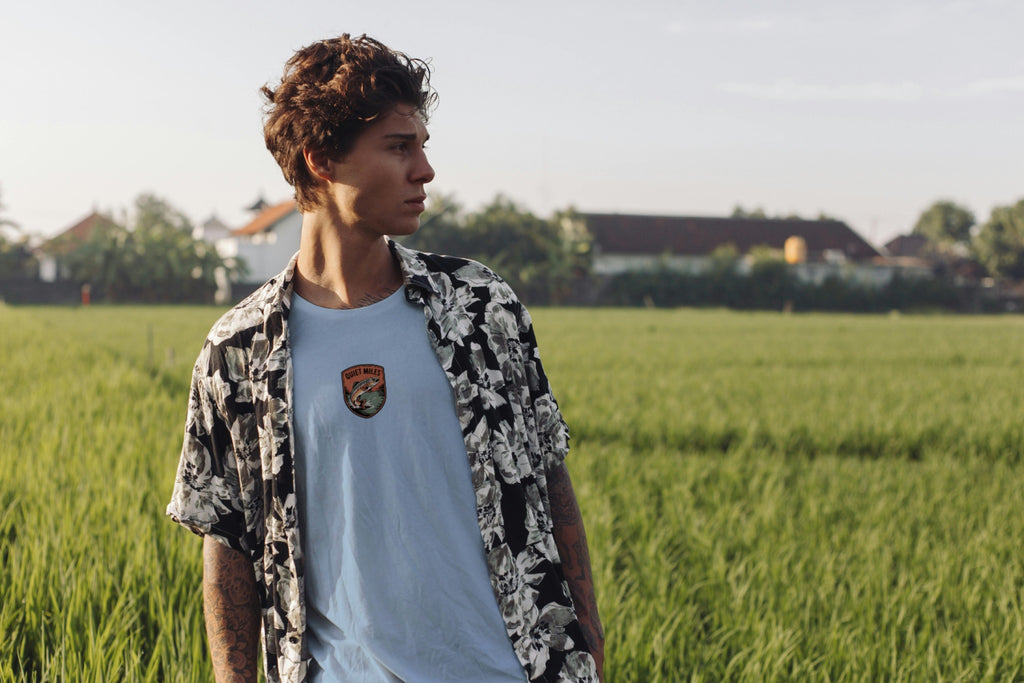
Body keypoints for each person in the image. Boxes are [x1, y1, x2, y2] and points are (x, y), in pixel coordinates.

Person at [167, 34, 604, 683]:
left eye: (423, 146)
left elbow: (547, 474)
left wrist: (589, 646)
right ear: (322, 160)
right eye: (400, 147)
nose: (424, 170)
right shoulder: (240, 351)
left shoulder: (480, 307)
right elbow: (226, 541)